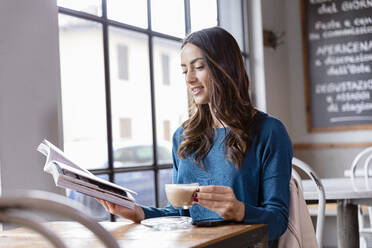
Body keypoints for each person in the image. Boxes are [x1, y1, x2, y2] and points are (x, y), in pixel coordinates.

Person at [96, 27, 292, 246]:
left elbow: (278, 221)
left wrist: (240, 211)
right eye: (184, 71)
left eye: (198, 67)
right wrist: (138, 212)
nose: (189, 78)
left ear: (225, 69)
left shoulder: (269, 131)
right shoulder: (183, 136)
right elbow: (179, 215)